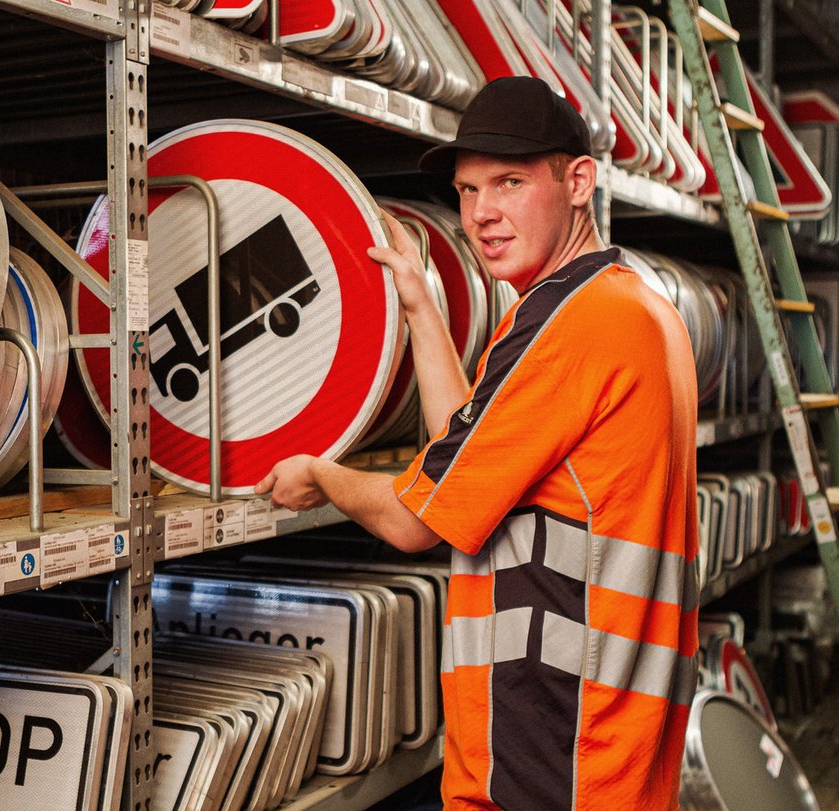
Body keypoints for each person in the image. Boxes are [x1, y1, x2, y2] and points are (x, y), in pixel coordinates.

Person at [254, 76, 699, 810]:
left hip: (554, 747)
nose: (482, 213)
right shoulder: (633, 307)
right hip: (612, 744)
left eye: (511, 182)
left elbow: (413, 518)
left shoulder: (572, 326)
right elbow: (468, 466)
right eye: (467, 191)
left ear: (578, 181)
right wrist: (421, 303)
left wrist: (323, 475)